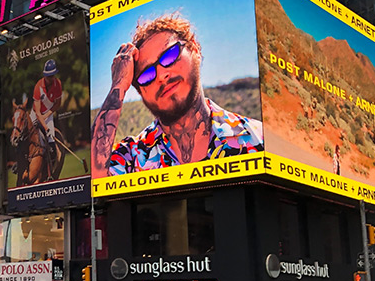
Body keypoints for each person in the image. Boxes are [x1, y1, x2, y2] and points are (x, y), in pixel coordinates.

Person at [91, 13, 263, 176]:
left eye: (170, 55)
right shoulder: (132, 156)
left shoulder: (257, 137)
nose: (161, 76)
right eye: (147, 75)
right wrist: (119, 85)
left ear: (194, 49)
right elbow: (91, 183)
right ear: (139, 91)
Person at [31, 59, 63, 167]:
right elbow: (38, 113)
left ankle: (51, 169)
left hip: (48, 114)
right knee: (25, 135)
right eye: (48, 76)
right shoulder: (38, 87)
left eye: (52, 75)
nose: (50, 78)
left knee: (51, 143)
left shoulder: (58, 84)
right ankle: (19, 162)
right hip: (36, 113)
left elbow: (58, 104)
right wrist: (45, 127)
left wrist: (47, 117)